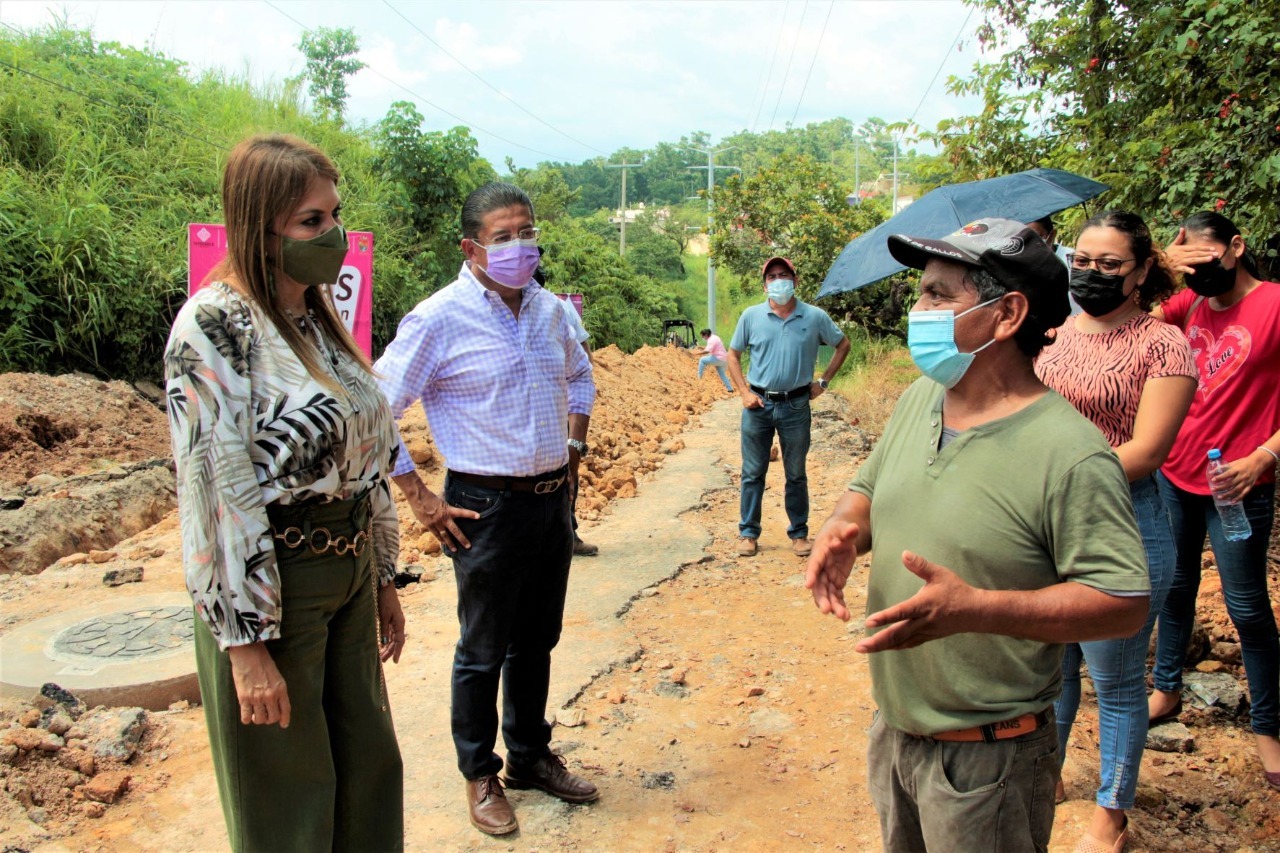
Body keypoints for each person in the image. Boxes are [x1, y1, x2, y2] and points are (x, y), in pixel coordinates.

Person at [805, 218, 1150, 852]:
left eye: (939, 295)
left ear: (1007, 314)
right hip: (897, 733)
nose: (919, 310)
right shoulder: (920, 398)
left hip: (991, 760)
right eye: (921, 293)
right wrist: (842, 530)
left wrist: (977, 610)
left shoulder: (1070, 455)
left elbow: (1124, 604)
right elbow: (867, 489)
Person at [164, 134, 406, 852]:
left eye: (334, 215)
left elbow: (369, 453)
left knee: (369, 776)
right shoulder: (215, 327)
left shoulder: (314, 317)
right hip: (276, 583)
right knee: (290, 801)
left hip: (348, 570)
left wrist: (382, 574)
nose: (331, 234)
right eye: (310, 221)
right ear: (256, 222)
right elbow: (215, 489)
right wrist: (244, 645)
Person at [373, 182, 599, 836]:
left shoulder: (552, 311)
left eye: (526, 232)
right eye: (503, 237)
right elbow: (374, 408)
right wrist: (418, 494)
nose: (519, 246)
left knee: (537, 640)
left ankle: (529, 754)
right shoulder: (438, 318)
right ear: (471, 247)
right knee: (482, 646)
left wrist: (573, 449)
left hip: (550, 500)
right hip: (481, 505)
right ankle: (480, 771)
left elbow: (580, 375)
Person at [1035, 210, 1196, 850]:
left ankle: (1111, 808)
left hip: (1121, 526)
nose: (1092, 274)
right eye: (1083, 261)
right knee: (1054, 666)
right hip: (1047, 527)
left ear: (1141, 271)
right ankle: (1047, 772)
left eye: (1109, 265)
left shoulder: (1164, 345)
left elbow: (1147, 451)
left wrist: (1056, 482)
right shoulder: (1054, 333)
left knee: (1119, 679)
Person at [1149, 211, 1280, 792]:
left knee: (1248, 605)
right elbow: (1130, 330)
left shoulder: (1275, 304)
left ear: (1237, 246)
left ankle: (1269, 725)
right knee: (1175, 588)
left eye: (1206, 260)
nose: (1200, 274)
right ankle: (1166, 686)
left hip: (1239, 484)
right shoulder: (1187, 306)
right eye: (1190, 264)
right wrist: (1164, 273)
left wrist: (1266, 458)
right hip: (1177, 472)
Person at [726, 257, 850, 558]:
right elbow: (733, 355)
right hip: (758, 405)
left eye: (784, 275)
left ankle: (798, 533)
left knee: (796, 472)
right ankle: (748, 533)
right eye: (772, 276)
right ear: (765, 284)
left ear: (795, 280)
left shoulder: (814, 316)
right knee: (753, 472)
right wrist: (743, 392)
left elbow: (843, 344)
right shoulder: (751, 316)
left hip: (795, 405)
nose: (778, 281)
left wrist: (824, 381)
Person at [557, 294, 600, 557]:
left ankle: (567, 534)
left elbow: (585, 357)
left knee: (568, 471)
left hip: (562, 404)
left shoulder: (559, 308)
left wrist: (576, 438)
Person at [694, 328, 734, 392]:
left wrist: (696, 353)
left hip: (719, 358)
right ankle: (730, 389)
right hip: (723, 359)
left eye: (703, 336)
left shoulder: (711, 340)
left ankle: (699, 377)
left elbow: (707, 351)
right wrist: (702, 347)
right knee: (722, 374)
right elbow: (711, 347)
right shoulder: (714, 337)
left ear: (706, 335)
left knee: (702, 360)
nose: (703, 338)